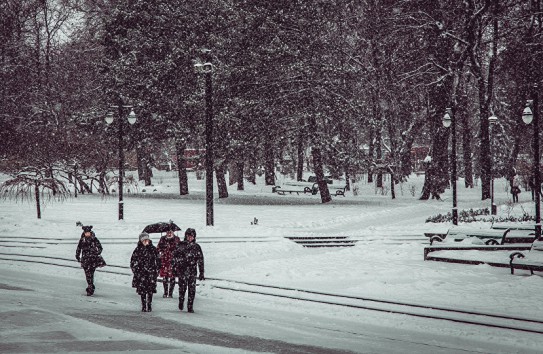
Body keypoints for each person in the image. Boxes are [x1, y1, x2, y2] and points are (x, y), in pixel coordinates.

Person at [172, 228, 205, 313]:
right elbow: (174, 258)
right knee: (182, 288)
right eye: (188, 236)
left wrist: (201, 272)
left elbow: (200, 260)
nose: (190, 238)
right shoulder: (180, 245)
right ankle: (181, 300)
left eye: (192, 236)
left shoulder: (197, 247)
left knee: (192, 289)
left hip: (192, 271)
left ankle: (190, 306)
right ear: (186, 236)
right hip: (182, 270)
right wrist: (174, 268)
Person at [131, 232, 161, 312]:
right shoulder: (138, 250)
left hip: (151, 272)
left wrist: (157, 269)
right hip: (141, 273)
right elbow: (133, 261)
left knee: (150, 290)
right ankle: (144, 305)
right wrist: (136, 270)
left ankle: (149, 304)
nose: (146, 241)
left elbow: (158, 260)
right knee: (143, 290)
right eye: (144, 240)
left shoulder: (153, 249)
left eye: (147, 240)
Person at [75, 225, 106, 296]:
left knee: (90, 273)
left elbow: (100, 247)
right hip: (85, 259)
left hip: (93, 259)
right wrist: (77, 255)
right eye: (86, 233)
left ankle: (90, 286)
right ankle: (90, 285)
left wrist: (97, 252)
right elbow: (78, 248)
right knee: (87, 274)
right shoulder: (82, 240)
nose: (87, 234)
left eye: (88, 233)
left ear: (90, 232)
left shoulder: (94, 239)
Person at [157, 228, 181, 298]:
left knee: (173, 276)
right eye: (167, 232)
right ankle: (165, 292)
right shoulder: (162, 239)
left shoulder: (177, 239)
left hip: (173, 260)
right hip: (164, 260)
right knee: (165, 277)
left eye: (170, 232)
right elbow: (158, 248)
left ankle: (170, 293)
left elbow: (180, 249)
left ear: (173, 232)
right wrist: (162, 249)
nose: (169, 233)